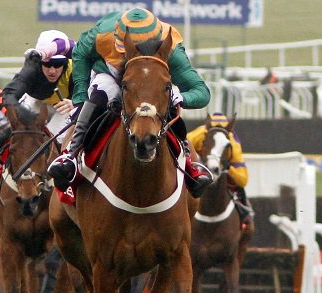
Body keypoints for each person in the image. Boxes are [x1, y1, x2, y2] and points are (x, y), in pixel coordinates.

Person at [44, 8, 213, 196]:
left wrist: (180, 97)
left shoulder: (171, 47)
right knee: (101, 94)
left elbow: (202, 93)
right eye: (125, 49)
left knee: (167, 100)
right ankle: (71, 155)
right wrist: (81, 98)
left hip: (150, 81)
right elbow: (81, 55)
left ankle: (190, 167)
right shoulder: (102, 33)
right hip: (111, 75)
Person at [3, 29, 76, 145]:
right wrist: (22, 113)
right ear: (39, 62)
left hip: (64, 106)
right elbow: (8, 94)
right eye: (47, 64)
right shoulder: (31, 68)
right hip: (37, 102)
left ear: (66, 61)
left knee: (54, 137)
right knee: (15, 135)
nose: (52, 71)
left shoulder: (75, 68)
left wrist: (76, 103)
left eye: (58, 64)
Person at [186, 112, 253, 217]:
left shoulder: (233, 144)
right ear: (206, 130)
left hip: (221, 167)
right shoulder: (197, 135)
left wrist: (227, 169)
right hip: (200, 162)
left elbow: (243, 180)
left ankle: (246, 215)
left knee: (239, 188)